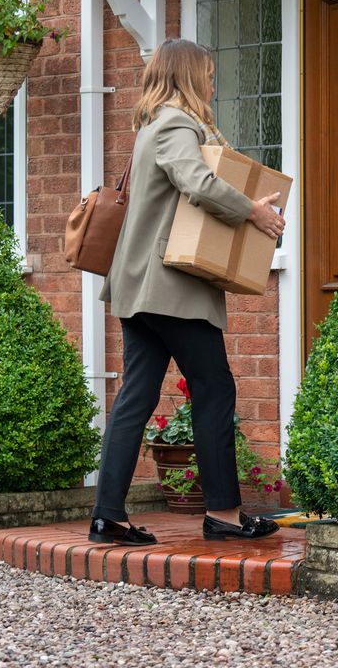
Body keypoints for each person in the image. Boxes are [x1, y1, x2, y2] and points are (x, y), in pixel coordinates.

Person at [88, 38, 285, 546]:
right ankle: (223, 513)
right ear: (189, 76)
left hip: (139, 287)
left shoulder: (150, 124)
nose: (214, 83)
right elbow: (196, 182)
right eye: (210, 74)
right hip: (169, 286)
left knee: (135, 397)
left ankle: (108, 515)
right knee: (214, 388)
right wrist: (254, 212)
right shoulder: (177, 123)